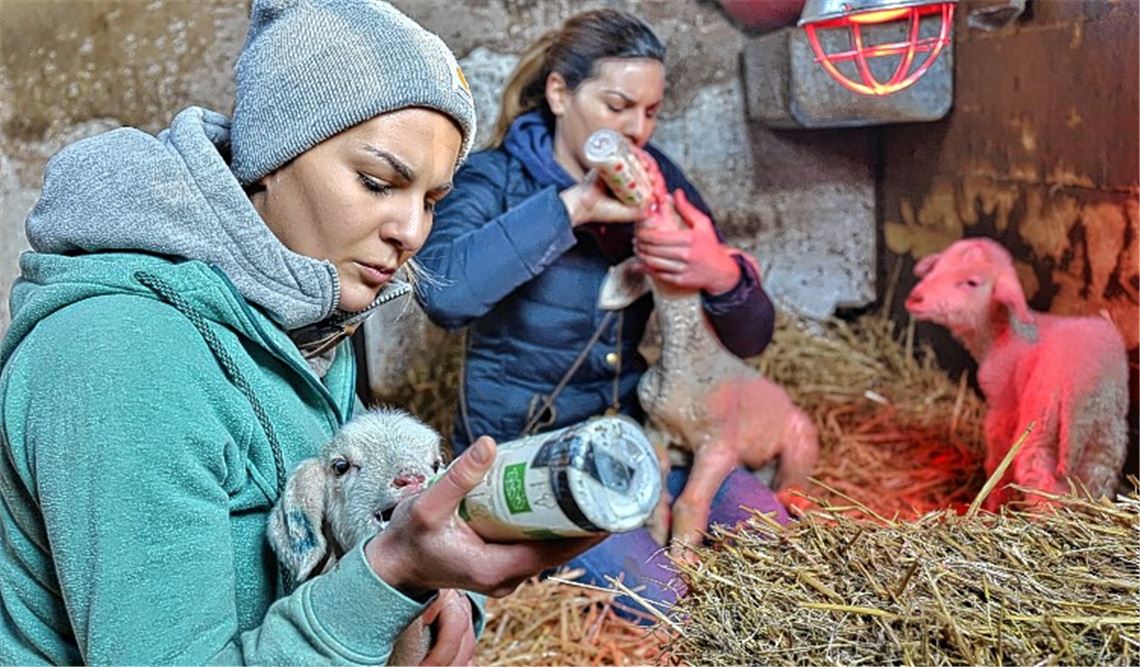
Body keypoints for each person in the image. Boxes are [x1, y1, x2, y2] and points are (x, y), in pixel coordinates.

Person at [0, 1, 599, 664]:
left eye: (432, 200)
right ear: (271, 157)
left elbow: (350, 531)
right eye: (378, 182)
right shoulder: (126, 356)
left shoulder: (308, 323)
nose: (413, 231)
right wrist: (395, 574)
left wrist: (437, 587)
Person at [415, 8, 788, 616]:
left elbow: (751, 340)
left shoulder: (658, 177)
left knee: (774, 540)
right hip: (529, 452)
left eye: (651, 111)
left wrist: (722, 273)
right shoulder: (495, 176)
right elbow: (444, 293)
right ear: (561, 93)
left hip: (637, 435)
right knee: (670, 603)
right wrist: (576, 207)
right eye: (618, 106)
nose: (637, 130)